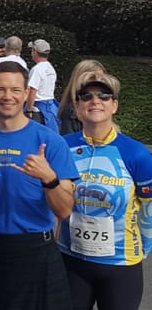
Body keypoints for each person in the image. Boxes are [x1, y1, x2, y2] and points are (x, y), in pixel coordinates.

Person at [0, 61, 76, 310]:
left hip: (34, 250)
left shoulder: (50, 141)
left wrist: (49, 179)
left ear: (25, 93)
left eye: (15, 90)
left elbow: (64, 211)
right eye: (0, 89)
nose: (7, 96)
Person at [58, 72, 152, 310]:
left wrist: (145, 248)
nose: (95, 100)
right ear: (77, 107)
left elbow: (149, 206)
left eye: (104, 95)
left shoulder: (136, 153)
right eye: (86, 96)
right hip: (71, 261)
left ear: (114, 106)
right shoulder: (62, 147)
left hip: (120, 266)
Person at [56, 59, 106, 135]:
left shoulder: (105, 104)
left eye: (102, 79)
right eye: (93, 79)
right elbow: (70, 142)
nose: (99, 83)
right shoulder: (71, 111)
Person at [25, 39, 58, 132]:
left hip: (38, 109)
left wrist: (29, 110)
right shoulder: (50, 68)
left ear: (35, 52)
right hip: (50, 109)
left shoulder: (37, 69)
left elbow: (32, 90)